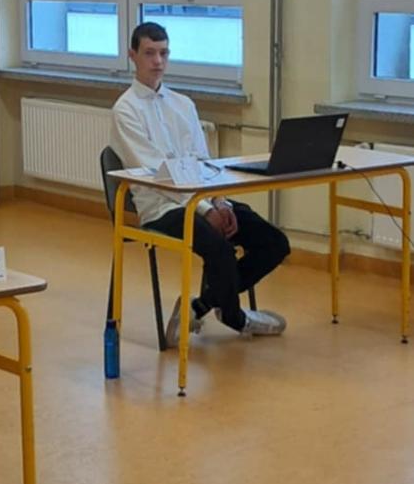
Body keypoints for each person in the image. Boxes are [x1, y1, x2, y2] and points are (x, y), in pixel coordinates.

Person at [110, 22, 290, 347]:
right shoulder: (125, 110)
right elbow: (157, 173)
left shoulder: (183, 104)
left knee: (274, 242)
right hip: (162, 207)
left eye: (163, 53)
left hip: (202, 199)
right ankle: (236, 317)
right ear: (132, 55)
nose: (158, 61)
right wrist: (205, 209)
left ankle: (200, 306)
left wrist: (219, 201)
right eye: (149, 53)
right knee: (218, 247)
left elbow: (204, 163)